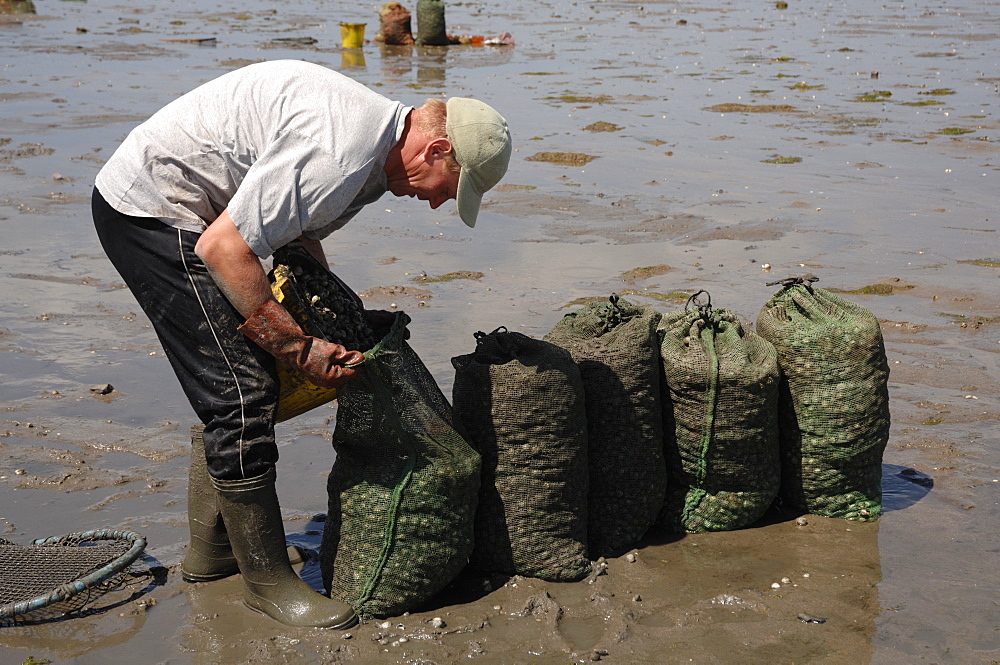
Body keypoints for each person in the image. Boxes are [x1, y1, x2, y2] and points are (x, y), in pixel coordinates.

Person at [91, 59, 511, 629]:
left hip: (210, 219)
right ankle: (267, 583)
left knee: (238, 377)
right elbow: (224, 249)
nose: (439, 203)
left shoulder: (371, 163)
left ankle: (215, 551)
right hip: (153, 210)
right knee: (241, 390)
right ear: (436, 150)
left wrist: (333, 319)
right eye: (450, 190)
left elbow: (295, 233)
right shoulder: (343, 151)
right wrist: (295, 347)